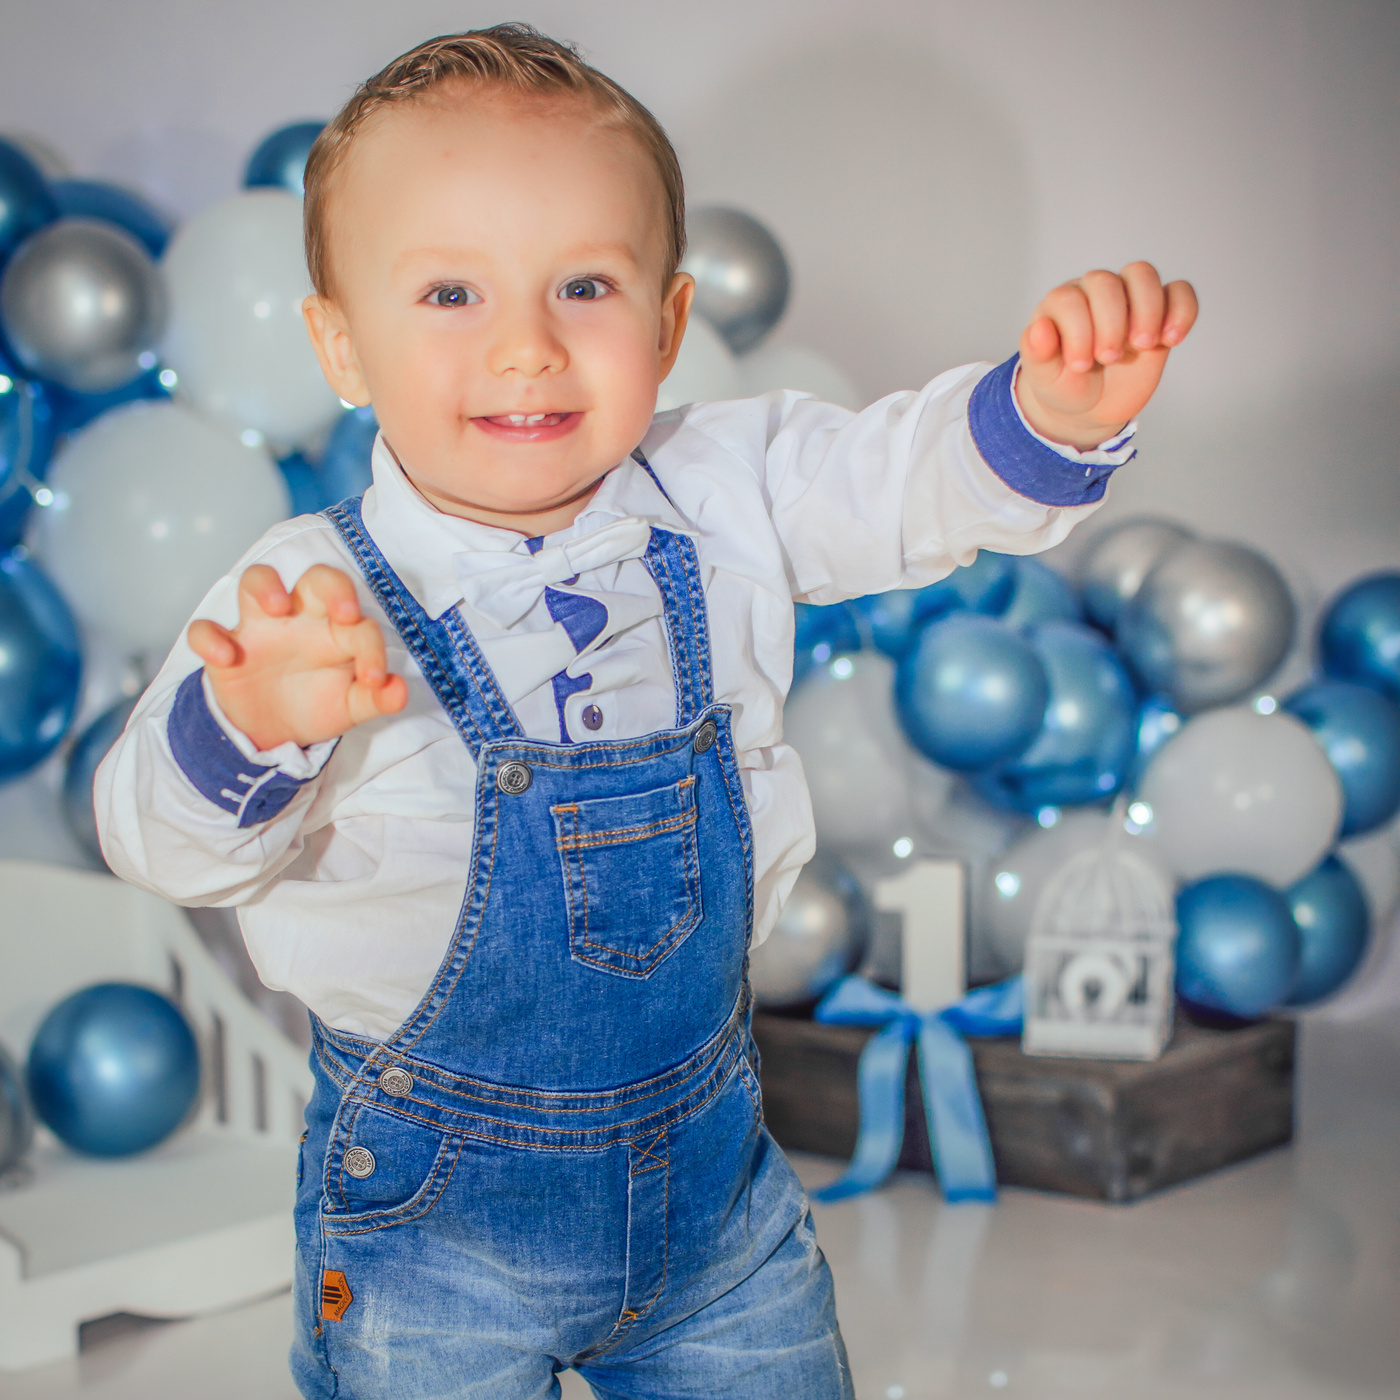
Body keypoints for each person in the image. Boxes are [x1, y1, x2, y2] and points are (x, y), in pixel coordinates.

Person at [95, 23, 1196, 1400]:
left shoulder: (726, 487)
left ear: (668, 326)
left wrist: (1045, 415)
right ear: (343, 345)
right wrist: (249, 726)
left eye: (584, 285)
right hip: (432, 1232)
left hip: (714, 1208)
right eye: (450, 292)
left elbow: (895, 482)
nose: (526, 347)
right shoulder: (306, 603)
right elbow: (160, 846)